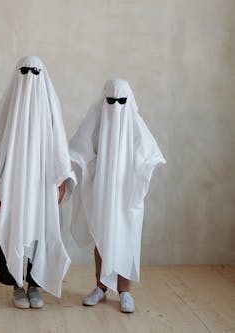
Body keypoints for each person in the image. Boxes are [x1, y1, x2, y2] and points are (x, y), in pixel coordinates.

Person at [0, 56, 76, 309]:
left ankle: (35, 285)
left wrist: (62, 180)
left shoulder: (49, 105)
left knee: (39, 230)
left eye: (35, 71)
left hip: (42, 181)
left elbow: (59, 143)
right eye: (24, 71)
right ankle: (16, 285)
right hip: (12, 182)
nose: (29, 76)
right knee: (13, 225)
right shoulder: (8, 106)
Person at [69, 79, 166, 313]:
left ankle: (125, 291)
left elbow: (149, 154)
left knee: (127, 237)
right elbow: (80, 147)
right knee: (101, 235)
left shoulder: (134, 122)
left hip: (126, 191)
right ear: (104, 100)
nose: (115, 106)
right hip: (102, 187)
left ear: (128, 101)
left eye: (121, 101)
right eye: (110, 101)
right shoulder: (97, 116)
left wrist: (141, 171)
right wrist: (93, 170)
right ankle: (100, 287)